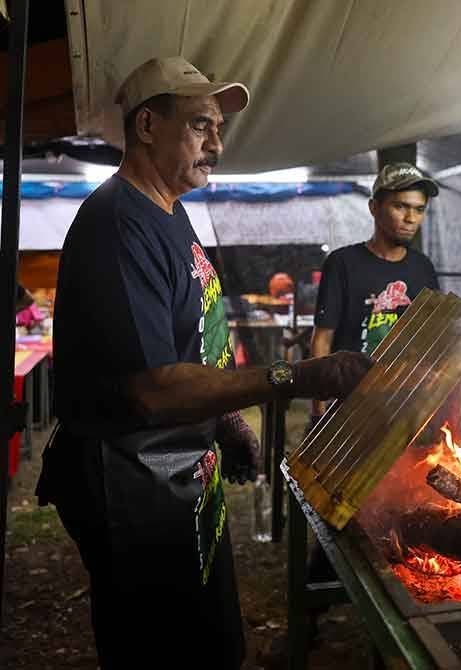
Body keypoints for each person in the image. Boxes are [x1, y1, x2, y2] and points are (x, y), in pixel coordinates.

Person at [35, 56, 371, 670]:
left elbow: (185, 343)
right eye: (199, 125)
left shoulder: (171, 210)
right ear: (146, 127)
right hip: (131, 484)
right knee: (163, 650)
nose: (216, 143)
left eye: (218, 128)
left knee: (208, 639)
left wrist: (225, 423)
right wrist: (294, 378)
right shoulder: (117, 225)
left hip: (181, 469)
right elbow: (154, 390)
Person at [301, 161, 439, 642]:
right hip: (347, 409)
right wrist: (320, 407)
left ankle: (394, 601)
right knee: (333, 513)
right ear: (375, 207)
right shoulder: (344, 263)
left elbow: (431, 341)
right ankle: (312, 613)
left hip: (400, 410)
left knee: (394, 505)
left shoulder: (422, 269)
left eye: (418, 211)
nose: (409, 218)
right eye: (400, 206)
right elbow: (321, 340)